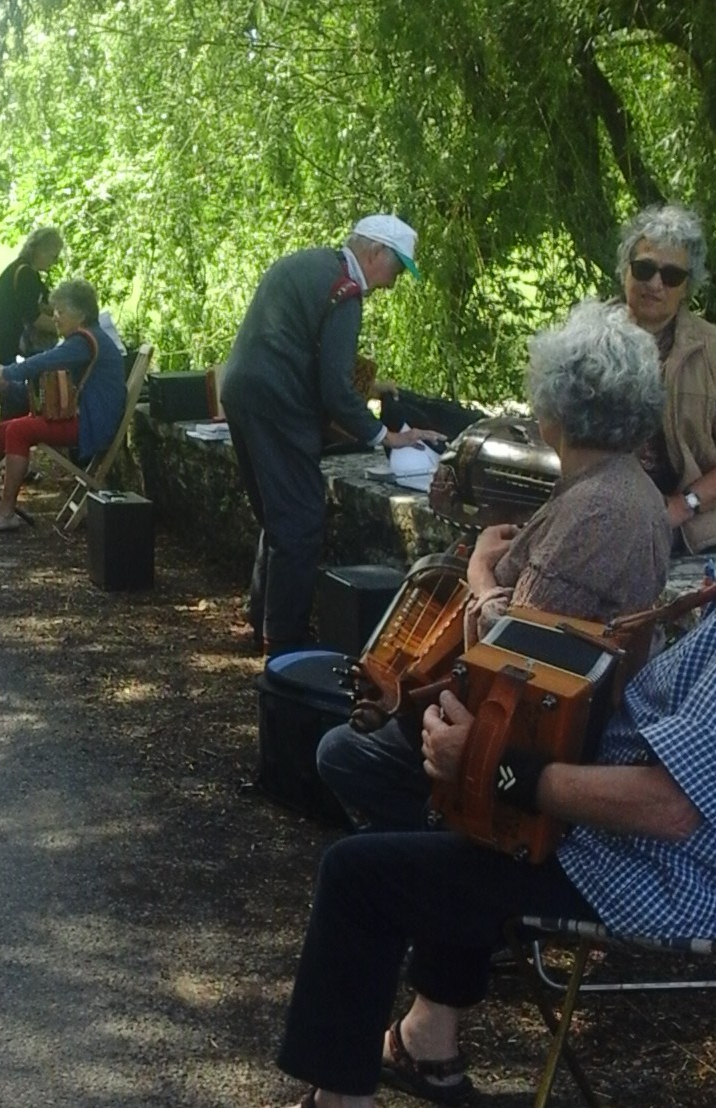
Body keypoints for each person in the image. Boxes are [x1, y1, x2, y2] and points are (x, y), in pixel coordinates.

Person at [275, 598, 716, 1108]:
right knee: (470, 831)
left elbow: (669, 808)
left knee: (357, 876)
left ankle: (339, 1102)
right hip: (621, 846)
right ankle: (426, 1048)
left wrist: (489, 764)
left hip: (643, 873)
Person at [317, 299, 672, 832]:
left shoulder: (597, 509)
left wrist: (481, 571)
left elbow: (511, 647)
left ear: (557, 409)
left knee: (341, 752)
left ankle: (446, 842)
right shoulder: (627, 486)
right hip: (571, 723)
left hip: (531, 743)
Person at [220, 214, 444, 656]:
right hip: (280, 406)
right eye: (396, 270)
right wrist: (385, 436)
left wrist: (369, 389)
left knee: (277, 517)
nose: (392, 284)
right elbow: (336, 390)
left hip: (242, 393)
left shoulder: (307, 263)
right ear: (375, 252)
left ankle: (262, 621)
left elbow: (299, 343)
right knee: (301, 522)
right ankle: (285, 644)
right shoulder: (346, 292)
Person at [0, 278, 125, 533]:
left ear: (81, 314)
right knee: (7, 427)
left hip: (92, 425)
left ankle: (5, 513)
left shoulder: (83, 340)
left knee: (19, 431)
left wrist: (7, 372)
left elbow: (45, 361)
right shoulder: (86, 337)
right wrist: (10, 382)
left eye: (61, 311)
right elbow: (47, 374)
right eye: (54, 310)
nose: (55, 317)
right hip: (87, 418)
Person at [617, 203, 716, 553]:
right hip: (607, 521)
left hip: (697, 533)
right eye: (645, 269)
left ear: (687, 286)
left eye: (672, 276)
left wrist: (683, 505)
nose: (655, 284)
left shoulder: (712, 350)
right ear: (625, 270)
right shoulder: (589, 341)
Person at [0, 226, 63, 422]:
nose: (55, 261)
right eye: (53, 255)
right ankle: (8, 439)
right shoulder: (24, 274)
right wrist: (69, 328)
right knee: (15, 403)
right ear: (38, 250)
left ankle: (8, 437)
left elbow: (48, 304)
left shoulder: (25, 272)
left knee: (14, 402)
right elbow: (35, 318)